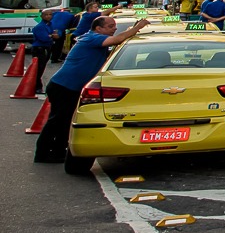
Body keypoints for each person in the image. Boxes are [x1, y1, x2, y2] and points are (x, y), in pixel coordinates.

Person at [33, 16, 146, 164]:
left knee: (66, 121)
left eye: (114, 26)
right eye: (110, 26)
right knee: (57, 121)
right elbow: (116, 40)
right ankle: (42, 154)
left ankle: (58, 151)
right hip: (63, 86)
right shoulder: (93, 38)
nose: (114, 29)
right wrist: (137, 28)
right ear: (98, 28)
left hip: (72, 87)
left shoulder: (96, 40)